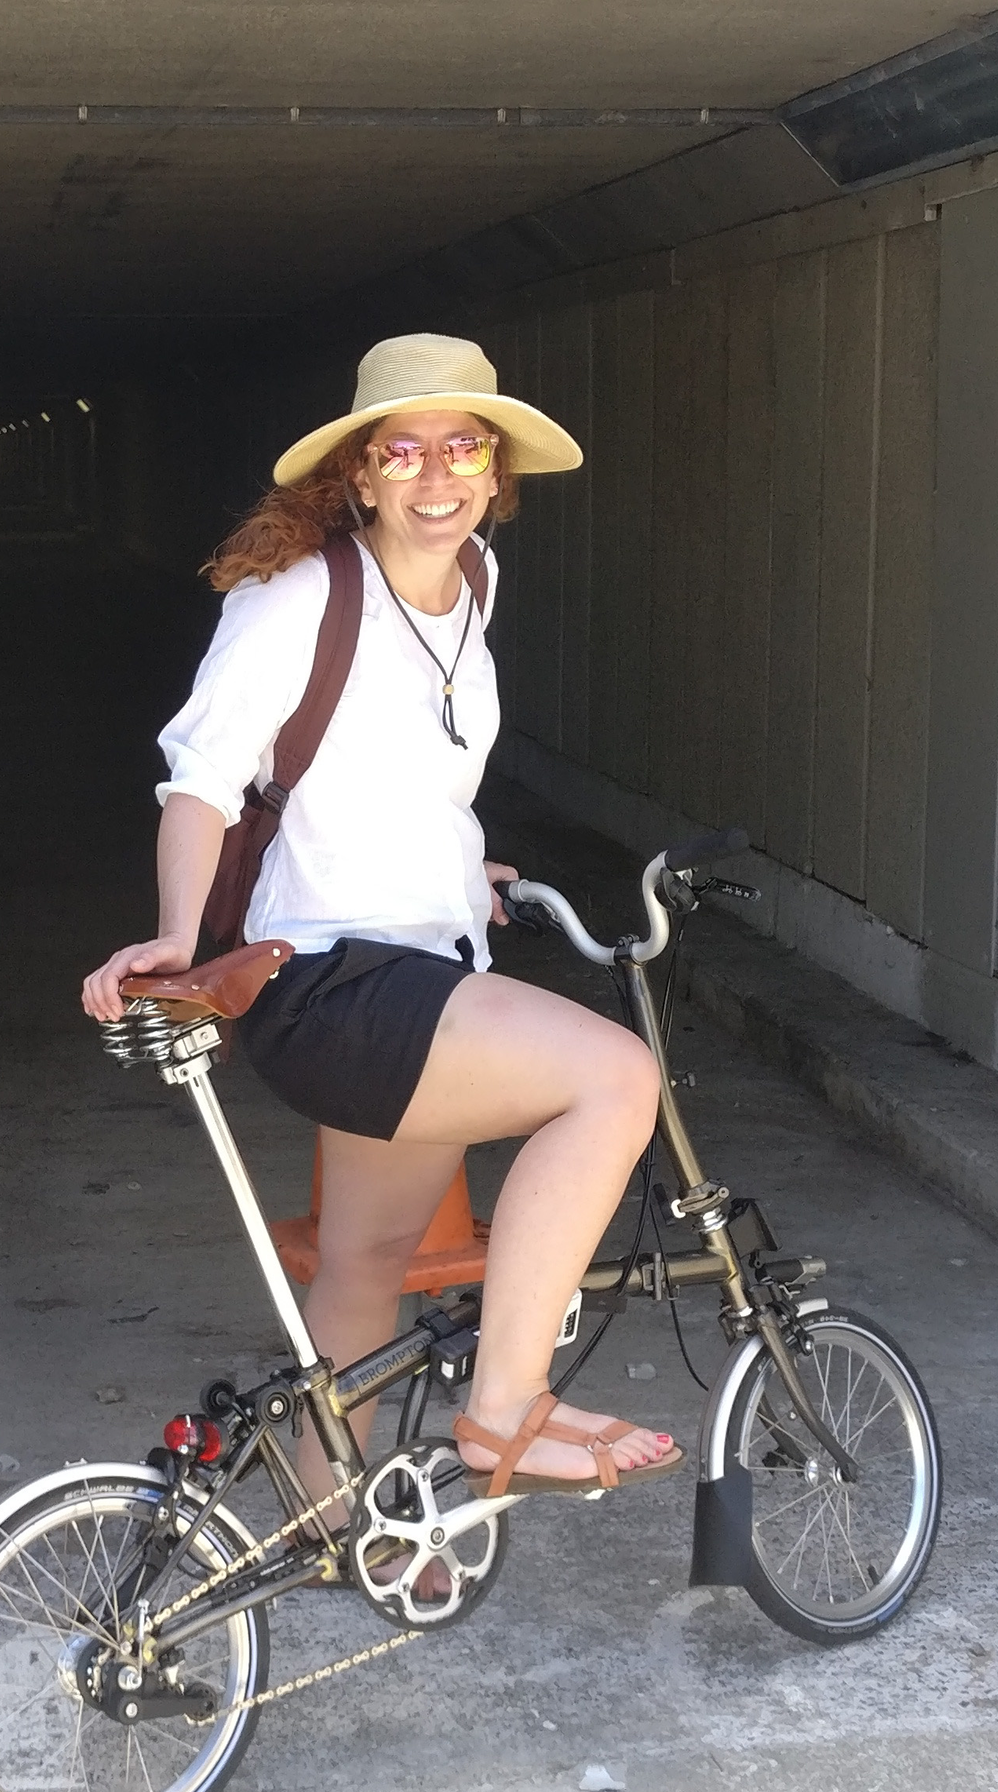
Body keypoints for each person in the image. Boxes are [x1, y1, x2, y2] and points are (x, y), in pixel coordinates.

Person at [82, 333, 681, 1504]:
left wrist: (458, 869)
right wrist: (170, 930)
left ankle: (320, 1522)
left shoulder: (476, 584)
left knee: (362, 1265)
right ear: (358, 475)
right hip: (336, 984)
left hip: (414, 957)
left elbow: (402, 768)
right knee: (613, 1080)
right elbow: (202, 778)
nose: (434, 473)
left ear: (494, 471)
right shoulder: (296, 593)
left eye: (461, 446)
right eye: (400, 451)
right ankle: (504, 1403)